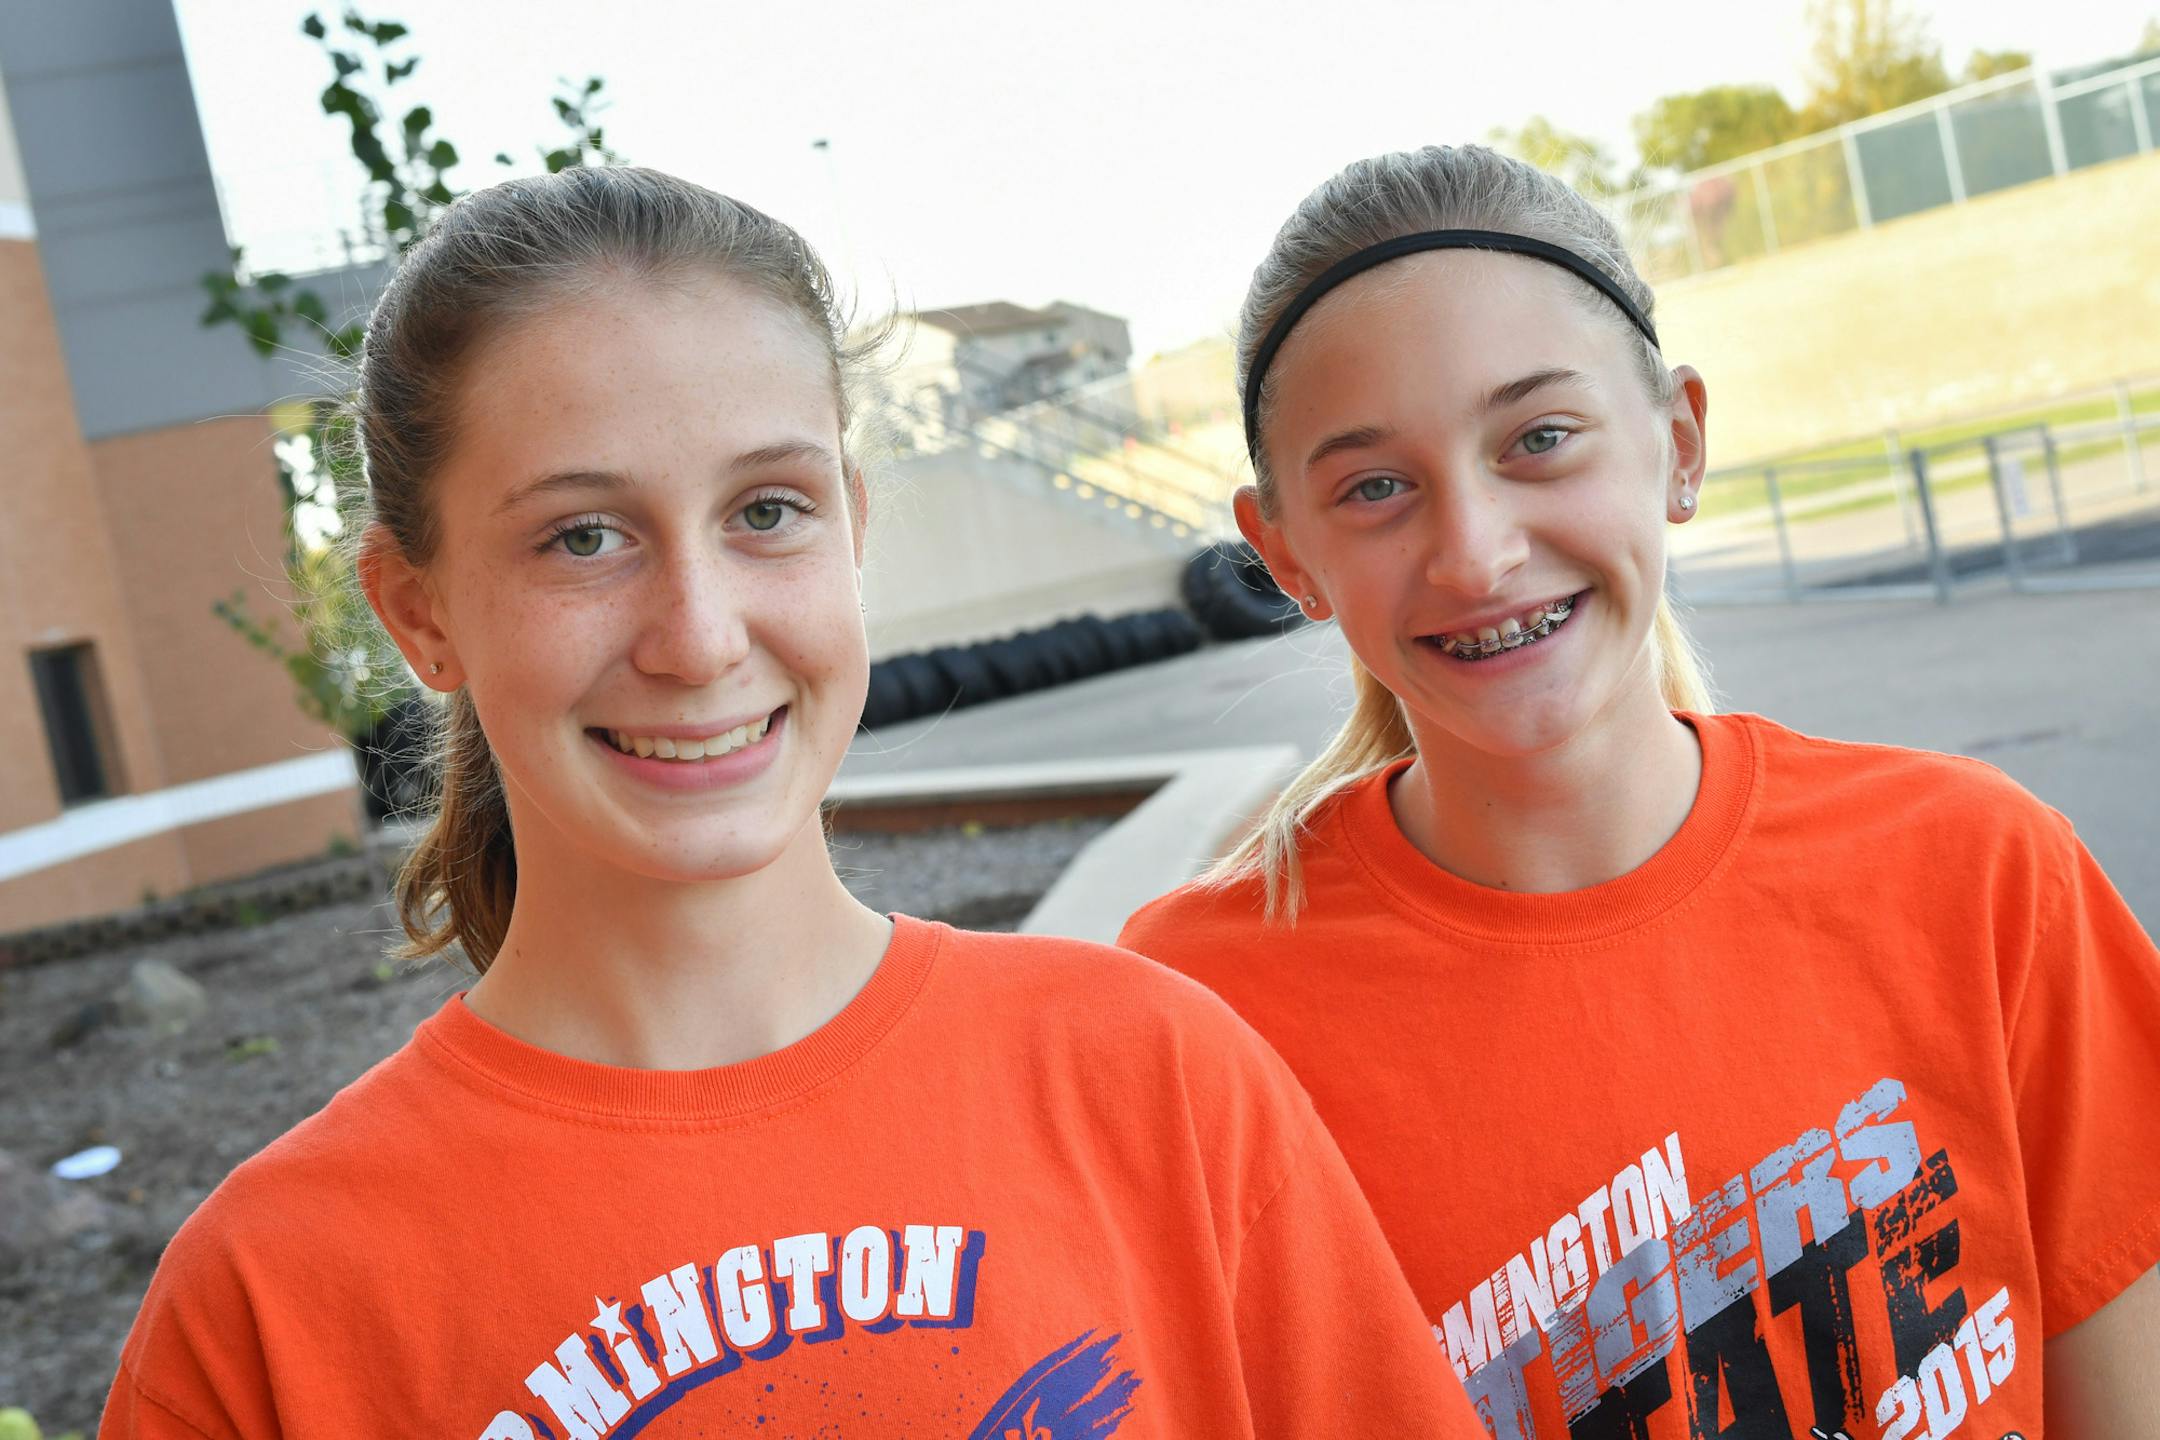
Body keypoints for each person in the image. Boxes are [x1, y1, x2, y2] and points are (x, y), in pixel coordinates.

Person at [98, 166, 1483, 1439]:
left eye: (767, 512)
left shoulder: (1152, 1080)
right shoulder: (271, 1310)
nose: (698, 638)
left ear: (855, 533)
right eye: (584, 537)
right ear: (418, 613)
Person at [1119, 144, 2160, 1438]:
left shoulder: (1984, 874)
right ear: (1286, 554)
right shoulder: (1191, 1026)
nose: (1476, 550)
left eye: (1540, 439)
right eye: (1376, 487)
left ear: (1678, 442)